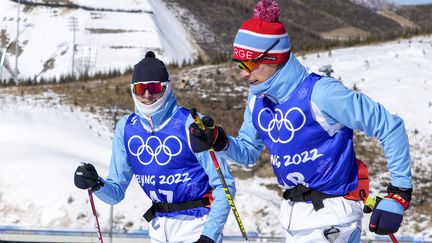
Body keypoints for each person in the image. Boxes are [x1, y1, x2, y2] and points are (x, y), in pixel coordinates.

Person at [188, 0, 413, 242]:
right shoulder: (258, 101)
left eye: (249, 64)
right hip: (293, 220)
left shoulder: (321, 92)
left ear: (273, 58)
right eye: (238, 64)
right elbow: (248, 152)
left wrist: (398, 194)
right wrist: (219, 141)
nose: (243, 73)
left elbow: (389, 127)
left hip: (334, 218)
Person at [74, 51, 234, 243]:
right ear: (133, 90)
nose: (147, 95)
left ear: (166, 87)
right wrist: (96, 184)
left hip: (196, 225)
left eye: (154, 87)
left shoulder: (190, 123)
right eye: (141, 88)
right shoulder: (126, 128)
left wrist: (209, 235)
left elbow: (224, 186)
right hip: (158, 229)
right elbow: (116, 193)